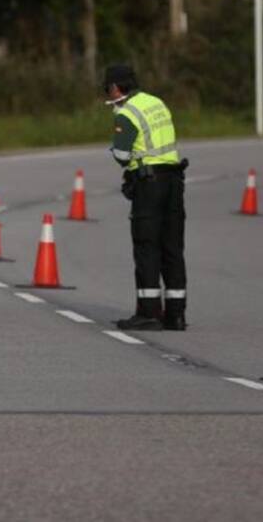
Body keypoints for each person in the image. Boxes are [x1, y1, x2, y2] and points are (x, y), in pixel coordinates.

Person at [104, 64, 189, 332]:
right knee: (172, 247)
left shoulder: (126, 113)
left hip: (148, 184)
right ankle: (175, 314)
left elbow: (121, 156)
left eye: (108, 88)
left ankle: (149, 312)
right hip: (174, 181)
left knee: (146, 246)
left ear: (116, 88)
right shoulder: (156, 102)